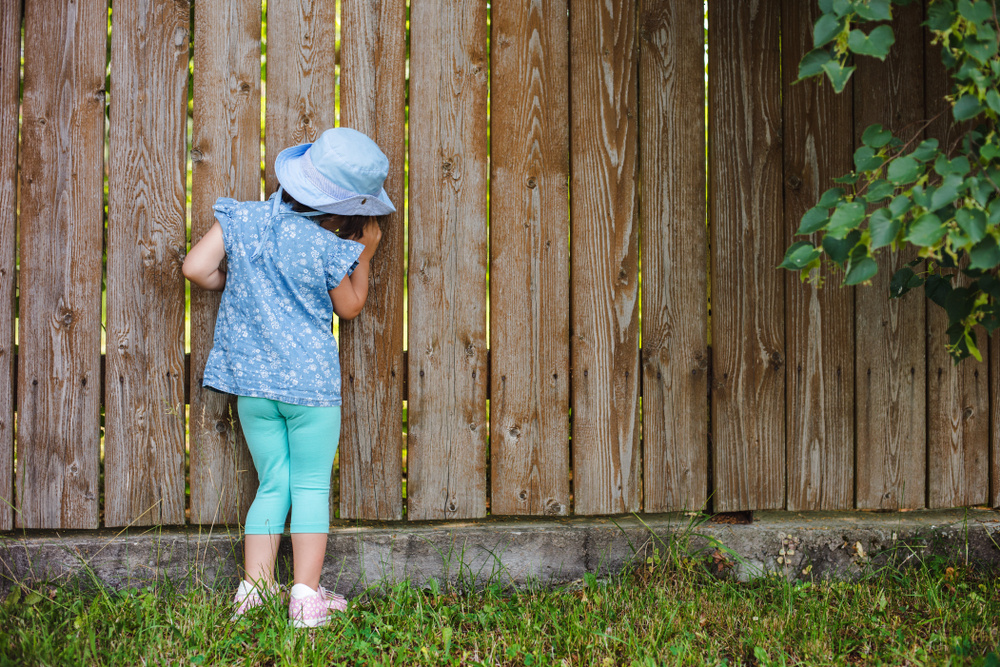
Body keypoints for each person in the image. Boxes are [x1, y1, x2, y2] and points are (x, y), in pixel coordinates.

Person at [182, 127, 391, 628]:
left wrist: (234, 281)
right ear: (346, 212)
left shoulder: (244, 219)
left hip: (252, 389)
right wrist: (364, 255)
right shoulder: (324, 245)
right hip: (312, 393)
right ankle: (305, 597)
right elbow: (351, 307)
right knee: (311, 487)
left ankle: (253, 590)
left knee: (272, 483)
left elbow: (195, 268)